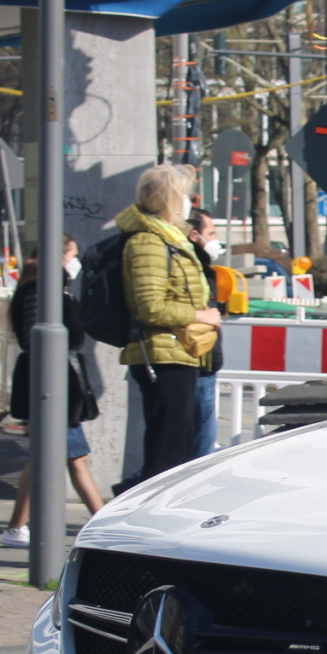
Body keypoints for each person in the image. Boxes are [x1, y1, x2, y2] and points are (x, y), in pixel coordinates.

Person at [1, 237, 106, 547]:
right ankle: (100, 521)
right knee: (70, 459)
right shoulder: (42, 291)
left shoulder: (45, 288)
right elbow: (40, 340)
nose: (77, 262)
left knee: (60, 457)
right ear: (59, 257)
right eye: (73, 255)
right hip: (56, 385)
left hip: (57, 384)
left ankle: (17, 527)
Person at [117, 164, 217, 482]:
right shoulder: (149, 241)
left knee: (177, 445)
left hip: (179, 351)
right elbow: (151, 306)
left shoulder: (169, 238)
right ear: (170, 199)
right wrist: (199, 315)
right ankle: (142, 520)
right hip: (163, 353)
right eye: (184, 195)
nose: (188, 201)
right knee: (168, 450)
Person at [187, 207, 227, 457]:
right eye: (210, 233)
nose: (214, 240)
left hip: (204, 361)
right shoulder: (192, 268)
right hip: (197, 360)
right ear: (194, 236)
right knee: (198, 447)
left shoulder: (202, 267)